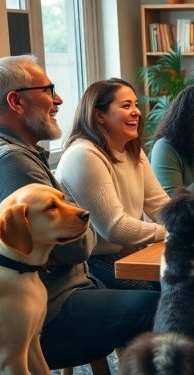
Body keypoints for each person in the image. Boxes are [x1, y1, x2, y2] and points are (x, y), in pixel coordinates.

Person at [0, 55, 159, 368]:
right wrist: (67, 241)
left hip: (57, 292)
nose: (59, 100)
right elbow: (79, 246)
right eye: (48, 91)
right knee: (169, 306)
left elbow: (72, 241)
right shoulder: (11, 162)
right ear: (17, 102)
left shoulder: (13, 153)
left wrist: (55, 245)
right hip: (43, 315)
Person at [56, 79, 169, 290]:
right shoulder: (84, 155)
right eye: (126, 106)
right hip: (93, 263)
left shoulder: (132, 149)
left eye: (136, 105)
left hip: (131, 253)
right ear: (100, 116)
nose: (136, 112)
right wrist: (173, 231)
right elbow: (115, 228)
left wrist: (186, 223)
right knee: (170, 298)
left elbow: (158, 203)